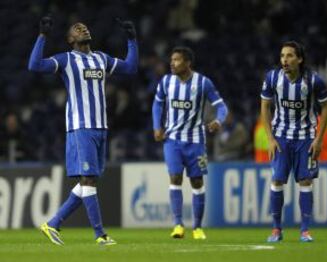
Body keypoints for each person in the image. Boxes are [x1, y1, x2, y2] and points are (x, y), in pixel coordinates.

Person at [28, 16, 138, 245]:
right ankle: (100, 234)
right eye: (77, 29)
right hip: (81, 126)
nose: (82, 28)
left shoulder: (101, 58)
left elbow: (130, 68)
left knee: (89, 182)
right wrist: (42, 36)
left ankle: (53, 224)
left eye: (84, 27)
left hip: (101, 127)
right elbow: (34, 65)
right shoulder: (67, 60)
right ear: (70, 39)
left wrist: (132, 40)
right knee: (87, 179)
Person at [152, 46, 228, 240]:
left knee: (197, 181)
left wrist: (218, 120)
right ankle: (178, 225)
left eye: (177, 60)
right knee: (175, 178)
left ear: (187, 63)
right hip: (172, 140)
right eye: (172, 59)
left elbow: (221, 106)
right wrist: (156, 127)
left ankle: (197, 227)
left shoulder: (203, 83)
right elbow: (157, 103)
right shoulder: (166, 82)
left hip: (196, 142)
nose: (172, 63)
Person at [260, 41, 327, 242]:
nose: (285, 60)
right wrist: (270, 138)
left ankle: (305, 231)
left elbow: (326, 109)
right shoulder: (272, 78)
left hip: (306, 138)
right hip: (281, 138)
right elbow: (265, 107)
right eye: (282, 55)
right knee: (277, 180)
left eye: (290, 56)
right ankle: (276, 230)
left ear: (299, 59)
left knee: (305, 181)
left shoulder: (314, 80)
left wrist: (318, 139)